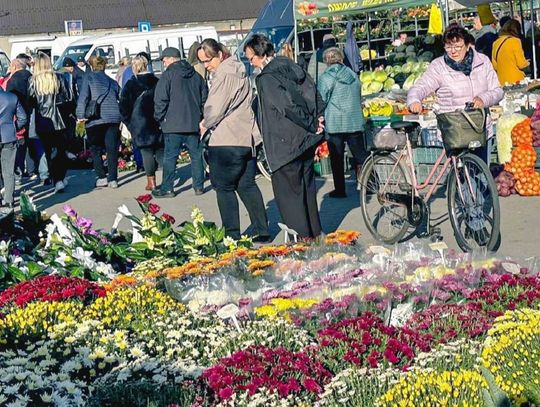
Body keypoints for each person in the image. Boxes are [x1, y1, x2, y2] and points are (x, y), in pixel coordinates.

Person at [245, 34, 325, 239]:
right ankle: (315, 235)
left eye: (251, 57)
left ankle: (301, 241)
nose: (250, 62)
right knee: (306, 191)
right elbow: (314, 93)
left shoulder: (266, 78)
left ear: (261, 54)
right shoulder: (291, 65)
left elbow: (285, 106)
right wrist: (316, 121)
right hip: (305, 140)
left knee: (289, 197)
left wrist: (311, 122)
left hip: (284, 142)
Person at [197, 38, 269, 241]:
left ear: (220, 54)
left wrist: (205, 122)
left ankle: (232, 235)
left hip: (226, 139)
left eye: (208, 60)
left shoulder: (224, 74)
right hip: (246, 137)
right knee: (246, 184)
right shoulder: (238, 69)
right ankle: (261, 229)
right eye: (203, 61)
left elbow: (215, 108)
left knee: (224, 187)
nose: (206, 66)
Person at [407, 23, 503, 163]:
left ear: (468, 44)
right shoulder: (438, 66)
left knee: (482, 175)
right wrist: (414, 100)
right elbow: (422, 86)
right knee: (461, 177)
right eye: (448, 47)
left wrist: (483, 99)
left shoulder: (482, 62)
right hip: (454, 130)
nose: (453, 51)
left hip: (479, 128)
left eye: (458, 46)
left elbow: (498, 90)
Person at [153, 47, 208, 198]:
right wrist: (202, 118)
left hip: (172, 124)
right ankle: (199, 186)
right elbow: (205, 99)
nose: (163, 62)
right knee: (196, 156)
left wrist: (159, 117)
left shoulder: (168, 75)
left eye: (164, 59)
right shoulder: (196, 76)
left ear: (171, 58)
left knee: (170, 157)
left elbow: (160, 99)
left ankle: (168, 188)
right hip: (193, 122)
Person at [317, 47, 366, 198]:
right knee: (360, 155)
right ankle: (370, 183)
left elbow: (321, 98)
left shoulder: (326, 77)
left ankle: (340, 190)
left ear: (326, 61)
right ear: (341, 58)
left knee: (336, 158)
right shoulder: (352, 74)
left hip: (335, 121)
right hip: (354, 119)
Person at [28, 53, 74, 193]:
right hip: (59, 119)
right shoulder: (58, 78)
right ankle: (60, 178)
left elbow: (30, 102)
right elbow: (69, 99)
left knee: (49, 152)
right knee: (61, 150)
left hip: (42, 121)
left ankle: (56, 179)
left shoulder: (33, 81)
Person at [76, 56, 122, 189]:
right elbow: (120, 95)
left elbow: (83, 97)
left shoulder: (88, 78)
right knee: (111, 149)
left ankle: (102, 177)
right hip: (113, 116)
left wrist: (80, 115)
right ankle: (113, 179)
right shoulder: (111, 81)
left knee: (95, 148)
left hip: (95, 118)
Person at [119, 55, 163, 191]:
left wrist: (129, 123)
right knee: (161, 150)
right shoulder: (157, 81)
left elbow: (123, 107)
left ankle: (152, 182)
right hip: (157, 119)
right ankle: (168, 178)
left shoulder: (131, 84)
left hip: (139, 122)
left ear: (134, 67)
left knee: (146, 152)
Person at [0, 87, 27, 208]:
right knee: (8, 171)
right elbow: (23, 118)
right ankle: (9, 200)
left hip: (7, 135)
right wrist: (14, 127)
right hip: (8, 135)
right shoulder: (11, 97)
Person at [492, 19, 530, 85]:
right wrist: (528, 63)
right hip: (516, 81)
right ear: (517, 30)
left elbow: (495, 66)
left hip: (501, 81)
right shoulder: (516, 41)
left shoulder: (495, 43)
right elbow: (521, 64)